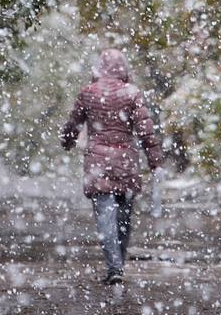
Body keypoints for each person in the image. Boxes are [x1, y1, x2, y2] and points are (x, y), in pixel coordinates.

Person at [61, 48, 164, 285]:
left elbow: (73, 123)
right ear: (123, 68)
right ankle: (119, 262)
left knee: (105, 218)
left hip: (97, 163)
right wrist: (155, 160)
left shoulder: (87, 93)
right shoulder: (132, 93)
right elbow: (145, 131)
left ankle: (114, 267)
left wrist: (67, 141)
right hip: (126, 163)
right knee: (124, 218)